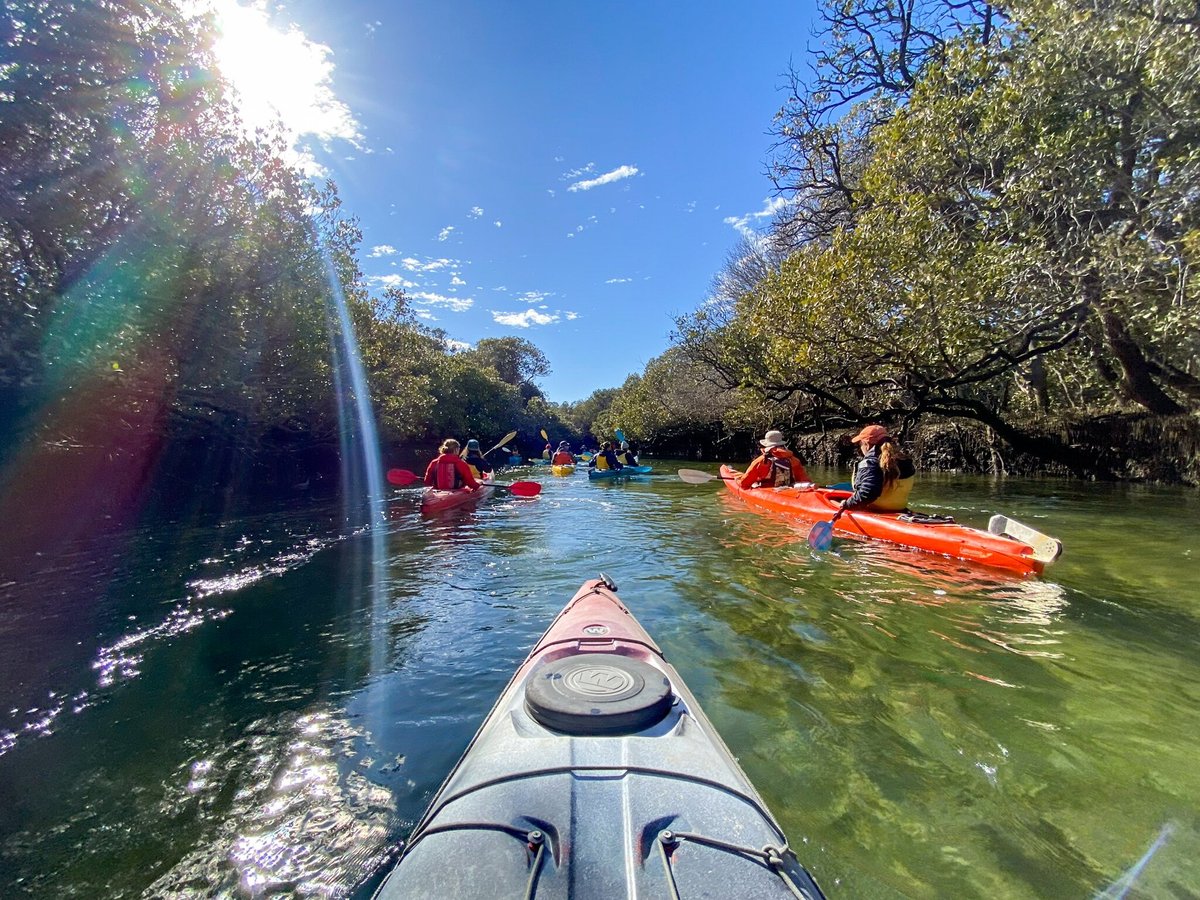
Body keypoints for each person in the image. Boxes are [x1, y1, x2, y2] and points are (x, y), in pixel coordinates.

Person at [840, 424, 915, 512]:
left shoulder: (870, 462)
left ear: (866, 444)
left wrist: (847, 504)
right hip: (899, 510)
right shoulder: (904, 459)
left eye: (860, 444)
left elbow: (868, 493)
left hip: (876, 511)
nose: (860, 447)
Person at [738, 430, 809, 489]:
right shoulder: (794, 460)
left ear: (766, 445)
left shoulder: (761, 461)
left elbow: (744, 484)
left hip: (768, 492)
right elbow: (804, 480)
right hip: (789, 491)